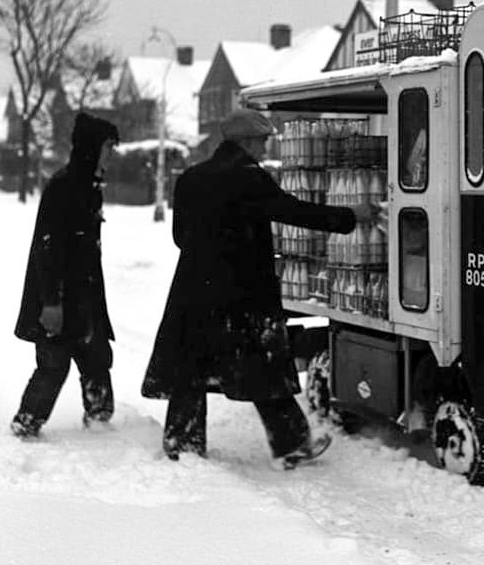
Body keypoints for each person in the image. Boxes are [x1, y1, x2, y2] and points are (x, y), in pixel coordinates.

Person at [141, 107, 373, 468]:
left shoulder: (191, 178)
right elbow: (292, 211)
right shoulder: (248, 178)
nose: (266, 146)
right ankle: (293, 445)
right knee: (264, 369)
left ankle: (182, 443)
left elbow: (180, 237)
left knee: (192, 368)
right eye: (263, 140)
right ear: (245, 142)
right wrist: (348, 217)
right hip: (242, 293)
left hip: (195, 291)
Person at [11, 111, 120, 438]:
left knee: (97, 360)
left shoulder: (89, 186)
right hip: (58, 297)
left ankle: (100, 426)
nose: (112, 154)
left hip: (84, 297)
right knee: (54, 365)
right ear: (92, 148)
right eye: (108, 147)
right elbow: (49, 249)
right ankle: (26, 425)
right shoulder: (65, 187)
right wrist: (51, 303)